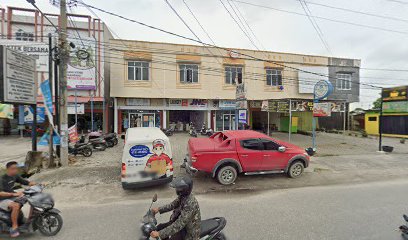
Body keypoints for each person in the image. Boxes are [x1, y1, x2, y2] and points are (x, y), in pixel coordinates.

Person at [0, 161, 37, 237]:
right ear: (8, 169)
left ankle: (29, 220)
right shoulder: (2, 179)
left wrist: (37, 184)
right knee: (16, 205)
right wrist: (14, 194)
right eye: (13, 169)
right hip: (2, 200)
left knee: (29, 198)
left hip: (11, 197)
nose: (15, 170)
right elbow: (0, 193)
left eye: (16, 168)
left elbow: (25, 182)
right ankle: (14, 227)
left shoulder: (15, 176)